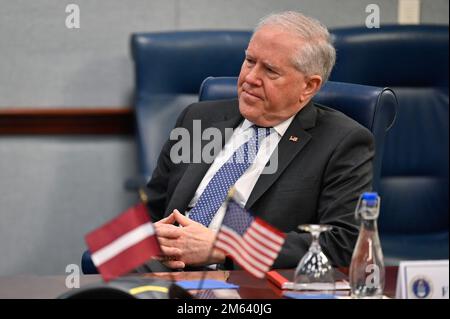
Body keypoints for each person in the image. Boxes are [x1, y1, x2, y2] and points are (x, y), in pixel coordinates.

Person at [146, 11, 374, 271]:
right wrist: (133, 243)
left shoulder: (343, 142)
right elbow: (150, 209)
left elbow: (342, 244)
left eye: (270, 71)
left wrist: (225, 247)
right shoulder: (197, 119)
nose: (250, 78)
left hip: (243, 282)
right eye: (249, 61)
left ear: (308, 86)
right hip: (161, 270)